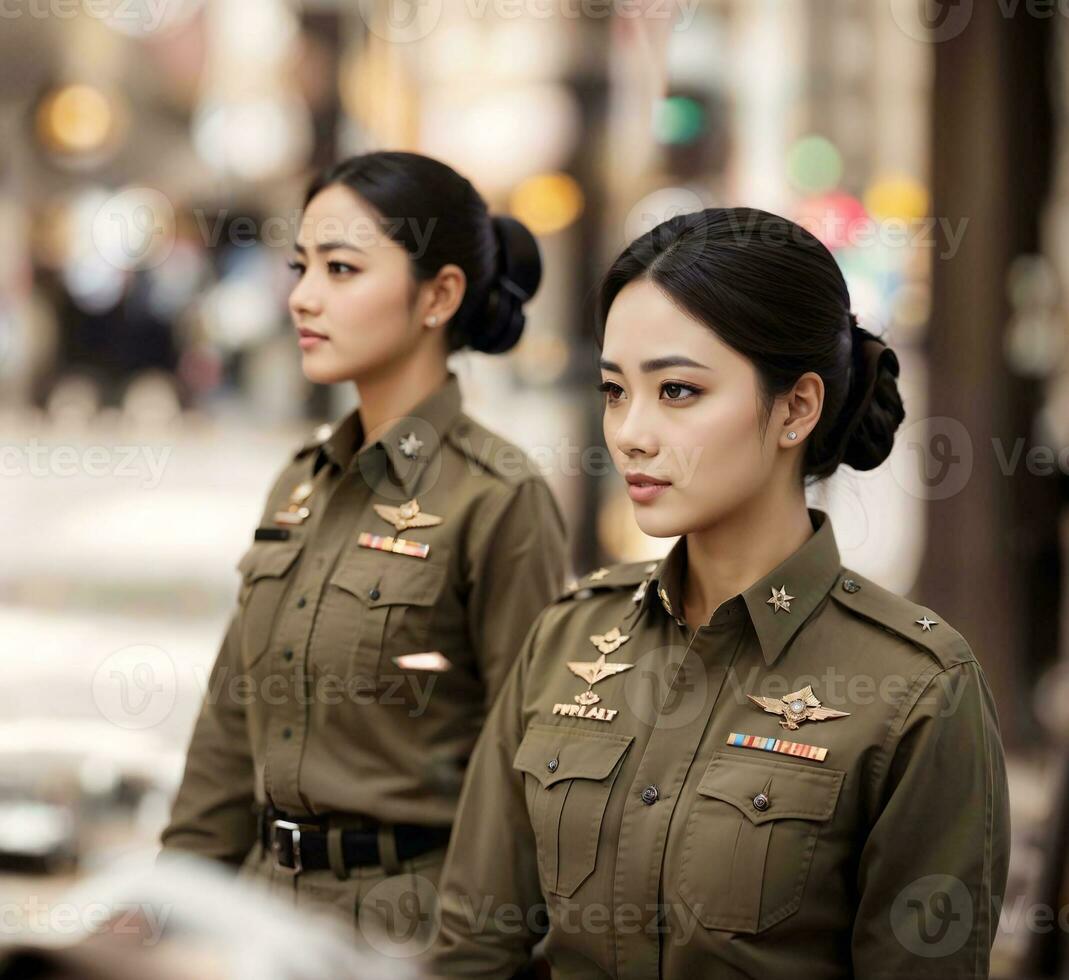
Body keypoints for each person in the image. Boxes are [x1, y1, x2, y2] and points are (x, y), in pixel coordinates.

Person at [431, 207, 1011, 978]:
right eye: (613, 390)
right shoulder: (567, 641)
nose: (630, 432)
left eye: (676, 391)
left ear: (796, 408)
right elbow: (473, 951)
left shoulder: (916, 691)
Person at [158, 152, 568, 947]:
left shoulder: (497, 499)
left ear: (438, 295)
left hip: (402, 932)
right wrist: (168, 911)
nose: (304, 297)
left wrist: (469, 957)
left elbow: (528, 776)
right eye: (301, 266)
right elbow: (227, 728)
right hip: (255, 918)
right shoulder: (298, 484)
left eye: (342, 269)